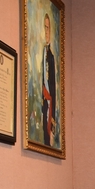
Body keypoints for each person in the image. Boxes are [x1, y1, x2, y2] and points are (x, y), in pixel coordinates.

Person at [41, 13, 57, 146]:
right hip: (43, 104)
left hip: (49, 104)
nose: (46, 31)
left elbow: (53, 90)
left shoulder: (51, 56)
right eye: (44, 28)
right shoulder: (42, 53)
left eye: (48, 28)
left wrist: (53, 119)